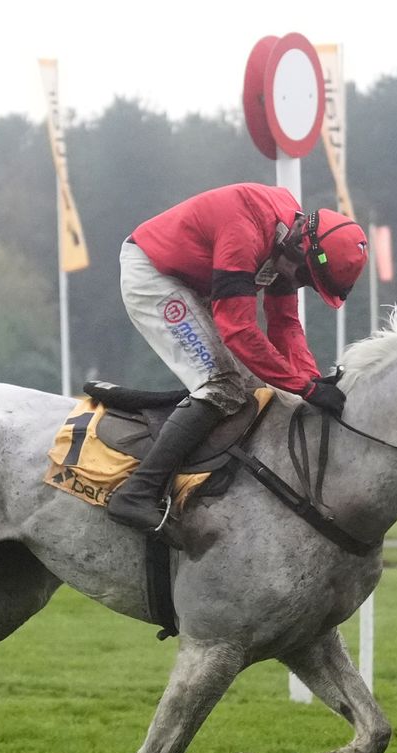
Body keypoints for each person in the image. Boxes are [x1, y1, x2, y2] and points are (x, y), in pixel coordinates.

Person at [105, 182, 368, 535]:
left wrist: (311, 380)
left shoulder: (292, 240)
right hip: (154, 273)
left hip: (196, 281)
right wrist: (304, 388)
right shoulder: (245, 232)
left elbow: (285, 325)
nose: (296, 283)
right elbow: (238, 329)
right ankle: (137, 492)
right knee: (223, 385)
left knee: (260, 387)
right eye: (305, 277)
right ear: (302, 248)